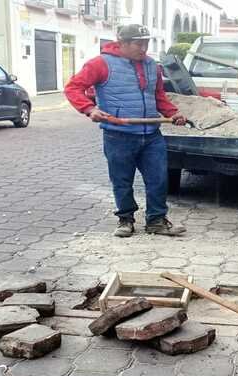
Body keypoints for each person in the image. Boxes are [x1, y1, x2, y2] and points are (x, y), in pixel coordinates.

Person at [65, 24, 187, 238]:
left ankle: (156, 220)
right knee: (122, 180)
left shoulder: (152, 66)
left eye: (146, 43)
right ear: (122, 43)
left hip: (151, 134)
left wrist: (173, 112)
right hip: (118, 134)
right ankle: (126, 220)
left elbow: (158, 96)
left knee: (158, 179)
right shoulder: (100, 64)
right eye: (138, 43)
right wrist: (89, 108)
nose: (144, 48)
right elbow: (73, 87)